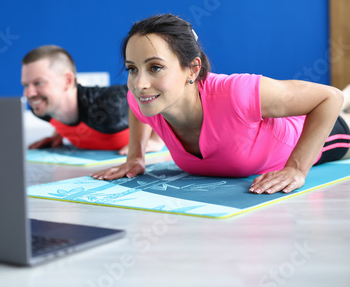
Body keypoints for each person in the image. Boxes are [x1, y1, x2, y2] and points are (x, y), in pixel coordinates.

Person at [91, 14, 350, 195]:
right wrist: (135, 156)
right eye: (132, 69)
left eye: (155, 67)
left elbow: (330, 98)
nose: (139, 84)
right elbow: (136, 108)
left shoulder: (237, 93)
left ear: (192, 69)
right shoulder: (144, 100)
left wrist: (296, 168)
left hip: (324, 133)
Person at [21, 45, 164, 153]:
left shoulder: (110, 108)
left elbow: (153, 94)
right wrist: (57, 135)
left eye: (38, 83)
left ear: (67, 81)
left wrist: (155, 140)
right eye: (26, 85)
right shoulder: (43, 108)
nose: (28, 93)